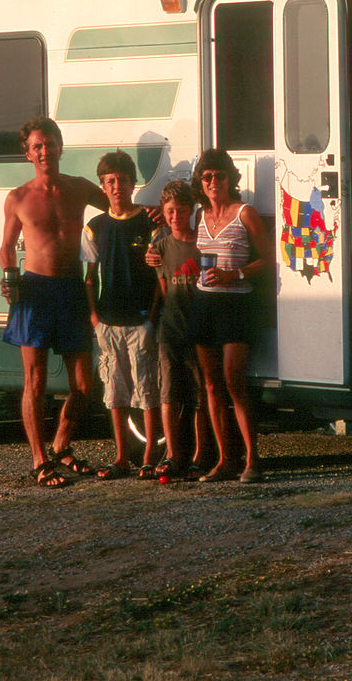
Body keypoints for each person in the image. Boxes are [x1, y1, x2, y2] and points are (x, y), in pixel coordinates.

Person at [0, 116, 109, 488]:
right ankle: (39, 459)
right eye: (37, 146)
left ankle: (61, 445)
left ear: (61, 146)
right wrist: (9, 278)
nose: (45, 151)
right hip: (34, 291)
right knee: (35, 381)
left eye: (50, 143)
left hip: (71, 289)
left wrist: (150, 212)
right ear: (28, 154)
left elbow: (117, 205)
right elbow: (5, 248)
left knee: (83, 383)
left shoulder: (80, 189)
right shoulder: (17, 197)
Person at [190, 148, 271, 483]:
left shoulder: (245, 213)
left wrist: (234, 274)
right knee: (210, 385)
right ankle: (225, 461)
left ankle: (252, 460)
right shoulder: (199, 216)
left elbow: (267, 259)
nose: (212, 182)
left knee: (234, 382)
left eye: (218, 176)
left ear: (230, 178)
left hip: (236, 305)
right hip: (203, 304)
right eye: (206, 176)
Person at [82, 150, 161, 480]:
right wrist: (94, 316)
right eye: (110, 181)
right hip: (109, 321)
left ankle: (149, 455)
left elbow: (161, 278)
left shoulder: (150, 221)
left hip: (141, 320)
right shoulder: (95, 226)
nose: (117, 187)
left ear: (133, 183)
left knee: (146, 389)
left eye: (123, 180)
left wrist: (152, 317)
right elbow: (89, 277)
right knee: (115, 391)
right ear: (103, 186)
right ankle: (121, 456)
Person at [148, 178, 213, 479]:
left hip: (199, 328)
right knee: (169, 393)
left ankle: (200, 454)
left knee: (199, 395)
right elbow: (164, 291)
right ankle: (173, 453)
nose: (176, 217)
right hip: (170, 331)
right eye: (171, 211)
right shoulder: (160, 247)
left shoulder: (201, 244)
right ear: (163, 211)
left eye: (182, 211)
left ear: (192, 211)